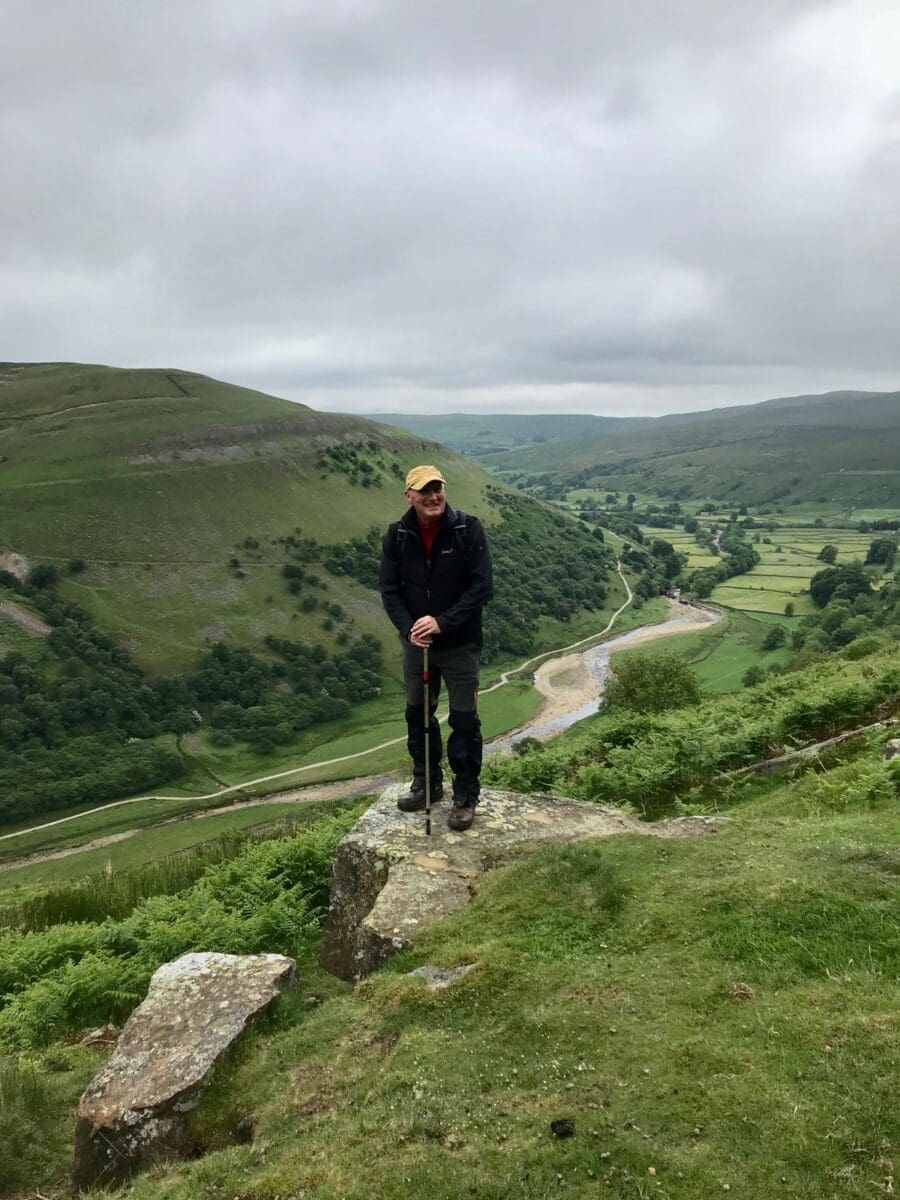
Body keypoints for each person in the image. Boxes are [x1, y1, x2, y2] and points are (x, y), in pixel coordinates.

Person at [379, 465, 493, 831]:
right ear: (409, 496)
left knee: (464, 721)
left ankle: (465, 796)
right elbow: (389, 591)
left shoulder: (467, 529)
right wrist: (409, 628)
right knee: (418, 716)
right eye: (424, 490)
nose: (433, 496)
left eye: (437, 488)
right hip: (418, 646)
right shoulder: (397, 536)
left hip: (460, 644)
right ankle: (427, 784)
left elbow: (482, 587)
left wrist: (443, 621)